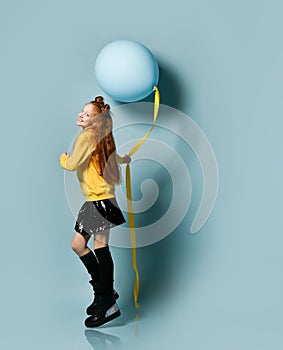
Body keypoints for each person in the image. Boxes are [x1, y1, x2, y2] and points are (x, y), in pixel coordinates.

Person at [59, 96, 131, 328]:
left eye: (87, 114)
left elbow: (71, 166)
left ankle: (107, 300)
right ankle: (104, 294)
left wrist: (64, 159)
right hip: (101, 200)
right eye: (82, 111)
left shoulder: (85, 137)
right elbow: (113, 157)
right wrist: (123, 159)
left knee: (90, 247)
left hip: (99, 202)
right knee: (86, 246)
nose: (81, 115)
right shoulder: (103, 138)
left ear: (96, 122)